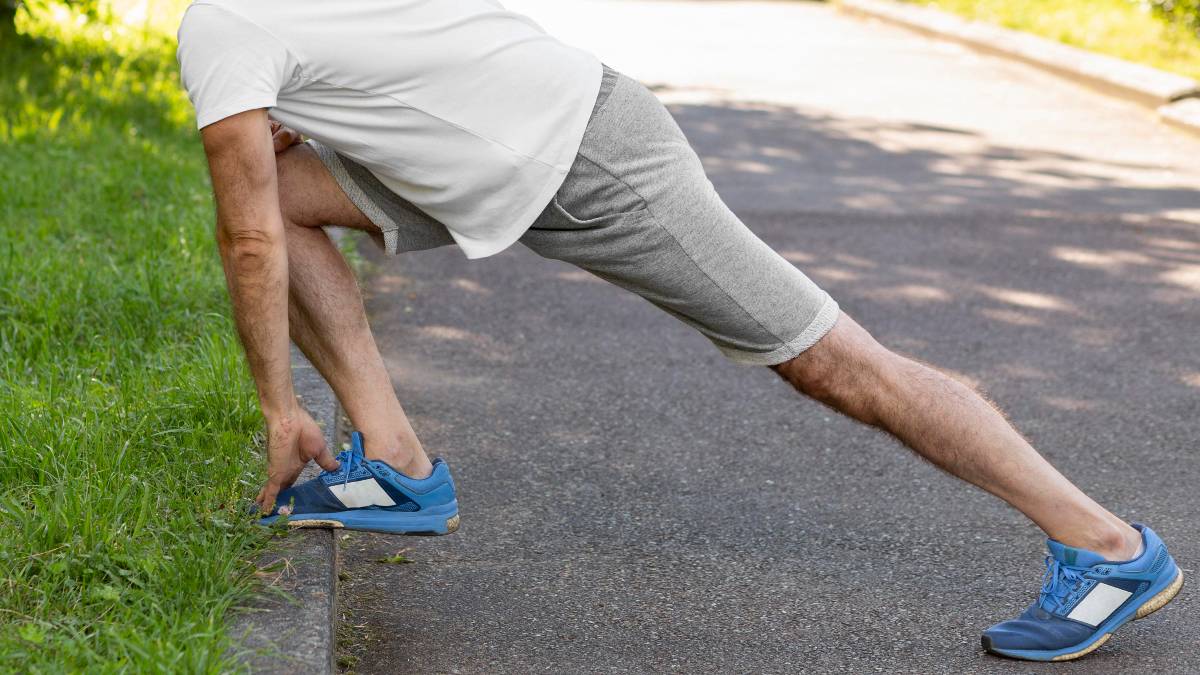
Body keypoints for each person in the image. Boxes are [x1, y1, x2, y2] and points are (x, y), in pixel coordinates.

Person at [175, 0, 1181, 662]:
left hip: (591, 157)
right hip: (505, 144)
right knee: (296, 197)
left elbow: (246, 236)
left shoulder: (217, 27)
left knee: (835, 364)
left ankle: (1106, 545)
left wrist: (276, 408)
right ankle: (396, 462)